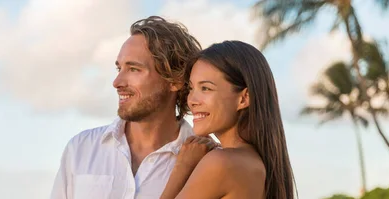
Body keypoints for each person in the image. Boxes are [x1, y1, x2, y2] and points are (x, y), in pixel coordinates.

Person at [49, 16, 215, 199]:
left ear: (175, 80)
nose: (117, 82)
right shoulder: (81, 148)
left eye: (134, 69)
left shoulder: (208, 162)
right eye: (119, 68)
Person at [159, 40, 297, 199]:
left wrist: (182, 167)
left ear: (244, 98)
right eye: (191, 88)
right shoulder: (256, 163)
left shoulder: (221, 163)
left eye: (206, 88)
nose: (192, 100)